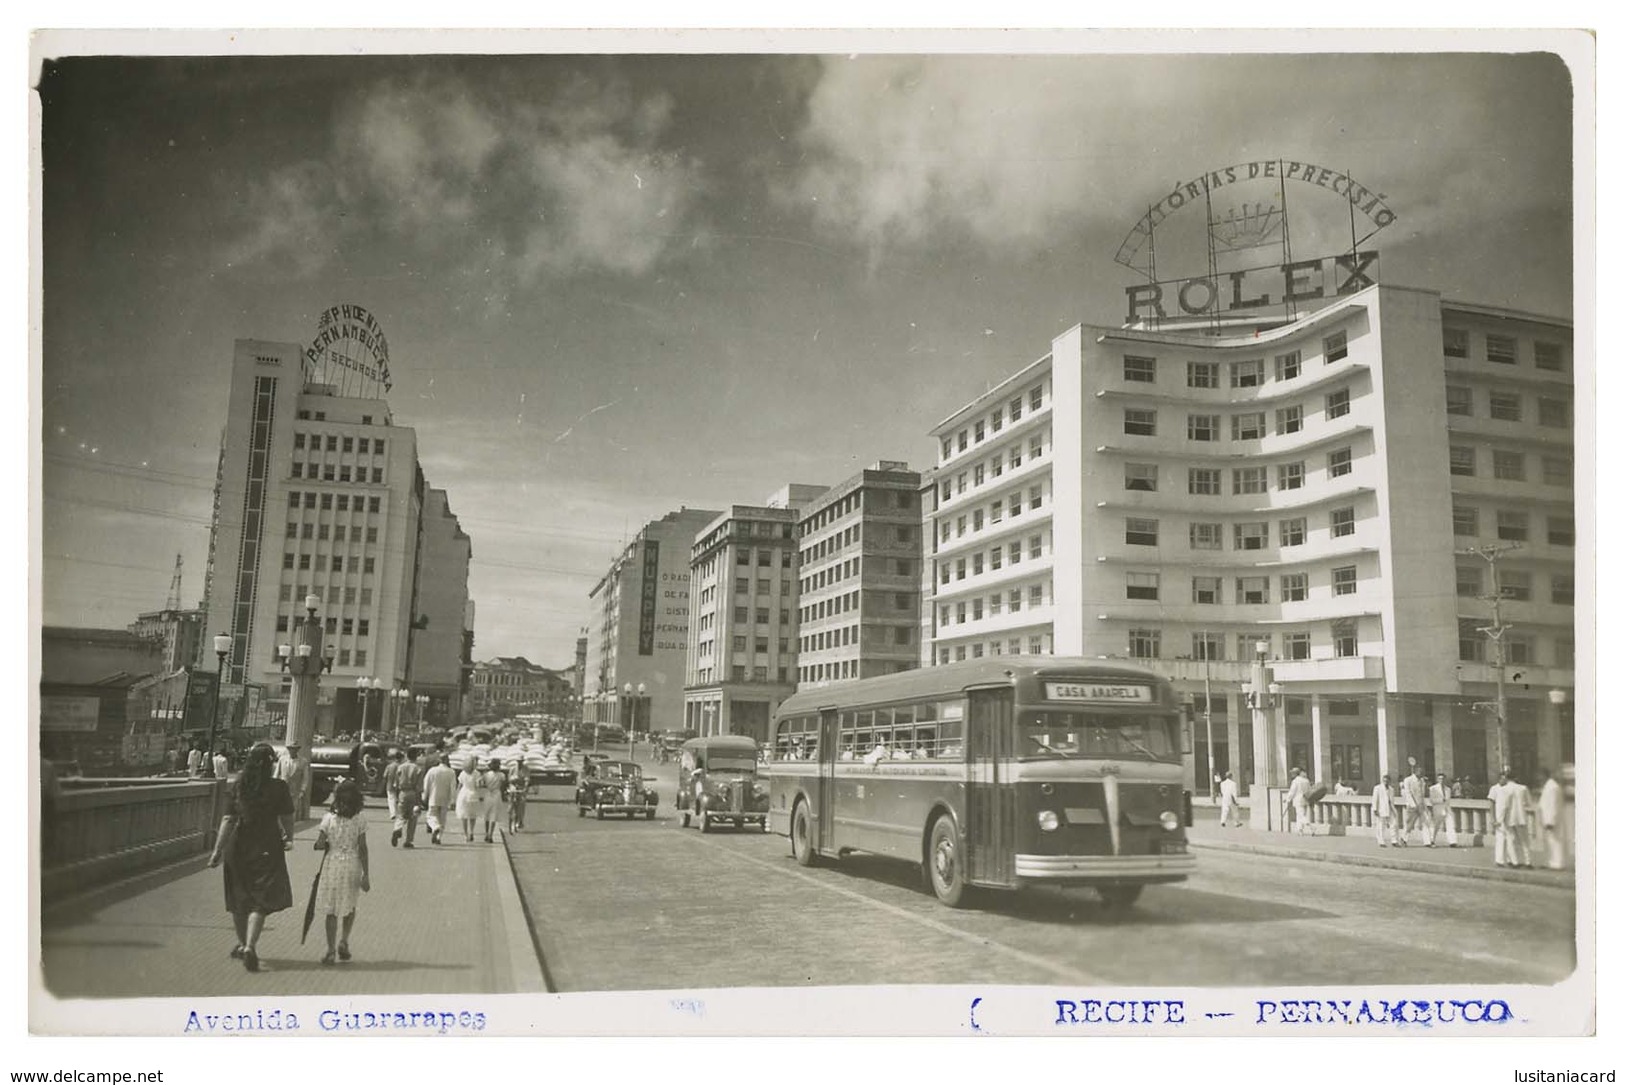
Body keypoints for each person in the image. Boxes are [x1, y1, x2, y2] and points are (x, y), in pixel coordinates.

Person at [207, 742, 294, 973]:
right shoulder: (279, 787)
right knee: (260, 900)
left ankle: (243, 943)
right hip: (267, 846)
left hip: (238, 847)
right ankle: (250, 947)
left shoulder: (239, 786)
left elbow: (228, 820)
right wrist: (289, 838)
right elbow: (287, 817)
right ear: (272, 763)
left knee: (239, 899)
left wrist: (217, 851)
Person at [313, 779, 370, 966]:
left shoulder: (328, 818)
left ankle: (330, 950)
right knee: (350, 904)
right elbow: (362, 847)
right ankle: (344, 940)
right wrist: (366, 874)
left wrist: (322, 844)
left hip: (333, 864)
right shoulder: (360, 818)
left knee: (331, 909)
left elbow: (320, 843)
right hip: (353, 863)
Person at [421, 753, 457, 845]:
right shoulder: (451, 772)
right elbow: (453, 787)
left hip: (433, 797)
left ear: (439, 760)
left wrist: (424, 796)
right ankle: (438, 837)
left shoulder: (432, 771)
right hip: (445, 798)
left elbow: (426, 784)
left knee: (431, 816)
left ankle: (435, 827)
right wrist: (453, 800)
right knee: (442, 819)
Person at [392, 751, 424, 848]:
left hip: (402, 792)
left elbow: (395, 784)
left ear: (407, 756)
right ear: (416, 757)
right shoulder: (418, 769)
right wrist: (419, 801)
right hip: (413, 793)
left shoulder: (400, 767)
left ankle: (397, 828)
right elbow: (419, 787)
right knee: (412, 818)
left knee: (401, 814)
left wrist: (398, 796)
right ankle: (408, 841)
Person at [1537, 768, 1564, 869]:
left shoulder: (1552, 787)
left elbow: (1553, 805)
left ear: (1544, 776)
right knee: (1550, 841)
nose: (1539, 779)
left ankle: (1557, 863)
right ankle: (1552, 861)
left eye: (1540, 776)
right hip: (1547, 818)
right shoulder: (1548, 786)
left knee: (1555, 841)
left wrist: (1551, 821)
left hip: (1551, 819)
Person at [454, 757, 486, 843]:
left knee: (464, 816)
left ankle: (465, 834)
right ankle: (471, 831)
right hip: (473, 794)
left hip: (463, 794)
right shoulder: (477, 774)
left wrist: (456, 796)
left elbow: (459, 785)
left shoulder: (462, 773)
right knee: (472, 815)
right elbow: (478, 786)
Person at [481, 757, 507, 844]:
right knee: (493, 815)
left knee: (487, 814)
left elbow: (482, 783)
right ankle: (490, 834)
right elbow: (503, 786)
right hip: (496, 794)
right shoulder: (502, 775)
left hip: (488, 793)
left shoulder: (486, 774)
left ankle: (486, 833)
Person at [1399, 765, 1426, 846]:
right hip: (1412, 806)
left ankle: (1428, 841)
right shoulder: (1408, 780)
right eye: (1419, 772)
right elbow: (1408, 793)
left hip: (1421, 805)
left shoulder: (1421, 780)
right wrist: (1413, 805)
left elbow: (1422, 793)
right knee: (1410, 824)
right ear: (1415, 772)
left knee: (1426, 822)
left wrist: (1423, 804)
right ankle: (1403, 838)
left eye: (1422, 772)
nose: (1421, 774)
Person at [1430, 772, 1458, 847]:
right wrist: (1441, 800)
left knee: (1450, 824)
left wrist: (1448, 808)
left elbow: (1448, 800)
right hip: (1438, 809)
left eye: (1442, 779)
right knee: (1436, 826)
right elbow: (1432, 800)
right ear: (1437, 779)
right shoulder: (1433, 788)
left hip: (1447, 809)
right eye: (1439, 779)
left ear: (1445, 779)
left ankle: (1452, 841)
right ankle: (1432, 840)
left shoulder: (1448, 789)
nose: (1441, 780)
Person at [1371, 774, 1397, 847]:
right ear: (1382, 780)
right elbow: (1374, 799)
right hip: (1381, 809)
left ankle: (1394, 840)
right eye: (1384, 780)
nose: (1386, 782)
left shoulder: (1391, 789)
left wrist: (1393, 808)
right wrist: (1375, 809)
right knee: (1381, 826)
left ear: (1389, 781)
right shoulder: (1377, 788)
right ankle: (1381, 841)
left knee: (1393, 824)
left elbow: (1392, 800)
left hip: (1390, 808)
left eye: (1387, 780)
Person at [1284, 767, 1311, 834]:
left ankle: (1311, 826)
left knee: (1301, 815)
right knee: (1299, 815)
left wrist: (1287, 799)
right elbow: (1309, 790)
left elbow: (1292, 791)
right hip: (1305, 799)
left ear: (1296, 774)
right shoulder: (1306, 780)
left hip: (1298, 800)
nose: (1292, 775)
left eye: (1293, 773)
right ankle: (1300, 830)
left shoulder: (1295, 781)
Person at [507, 758, 530, 833]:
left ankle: (520, 820)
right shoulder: (513, 768)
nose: (519, 763)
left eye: (521, 762)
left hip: (521, 787)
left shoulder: (526, 769)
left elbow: (527, 779)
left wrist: (525, 787)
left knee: (522, 803)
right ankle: (510, 816)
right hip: (513, 787)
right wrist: (513, 780)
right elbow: (509, 779)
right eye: (518, 762)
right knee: (511, 804)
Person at [382, 750, 405, 823]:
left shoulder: (389, 766)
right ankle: (400, 813)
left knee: (391, 799)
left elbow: (384, 776)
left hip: (390, 784)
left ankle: (393, 813)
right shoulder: (402, 766)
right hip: (400, 785)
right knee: (399, 800)